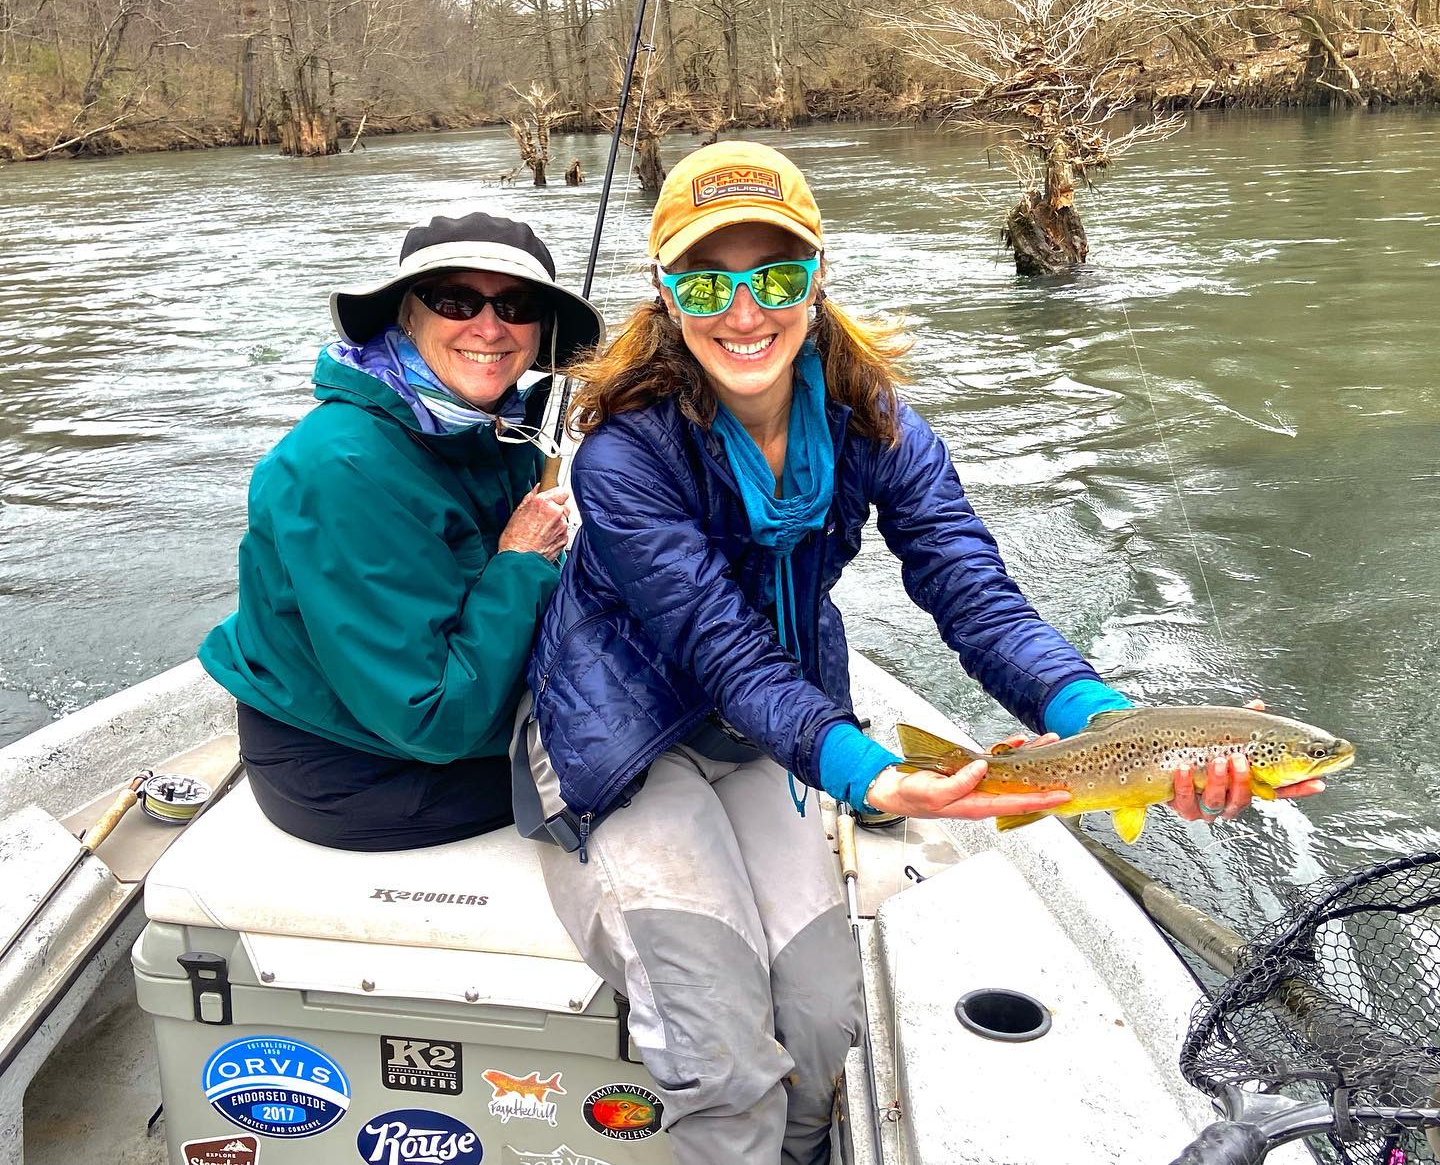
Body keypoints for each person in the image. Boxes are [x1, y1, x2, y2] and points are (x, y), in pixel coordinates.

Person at [516, 142, 1326, 1164]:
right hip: (625, 734)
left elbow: (972, 595)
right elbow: (720, 647)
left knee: (817, 1028)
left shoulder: (878, 423)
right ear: (666, 293)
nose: (744, 311)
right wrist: (876, 773)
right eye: (706, 280)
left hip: (775, 734)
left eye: (776, 276)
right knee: (723, 1057)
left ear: (815, 278)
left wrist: (1108, 726)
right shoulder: (625, 454)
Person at [200, 212, 602, 851]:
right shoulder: (341, 470)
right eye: (456, 300)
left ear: (541, 331)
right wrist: (523, 559)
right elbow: (433, 716)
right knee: (638, 756)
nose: (490, 328)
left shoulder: (489, 423)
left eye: (517, 305)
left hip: (425, 720)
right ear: (405, 316)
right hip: (359, 771)